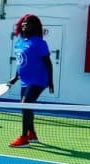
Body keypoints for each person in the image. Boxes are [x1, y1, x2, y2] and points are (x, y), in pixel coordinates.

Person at [7, 13, 54, 147]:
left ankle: (24, 138)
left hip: (39, 79)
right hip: (25, 80)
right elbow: (20, 62)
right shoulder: (20, 42)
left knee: (25, 105)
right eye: (23, 22)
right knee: (26, 107)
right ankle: (31, 134)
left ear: (34, 26)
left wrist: (50, 81)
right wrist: (15, 78)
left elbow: (48, 63)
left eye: (27, 23)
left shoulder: (39, 43)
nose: (24, 25)